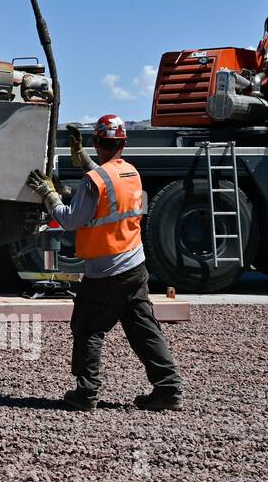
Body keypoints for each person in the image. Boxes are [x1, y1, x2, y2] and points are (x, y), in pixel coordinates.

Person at [27, 115, 183, 412]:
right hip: (135, 266)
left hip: (106, 270)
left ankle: (86, 393)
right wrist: (84, 159)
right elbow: (108, 184)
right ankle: (169, 388)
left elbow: (71, 219)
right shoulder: (131, 173)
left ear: (98, 142)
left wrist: (49, 195)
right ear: (124, 143)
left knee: (88, 328)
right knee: (143, 328)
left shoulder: (93, 181)